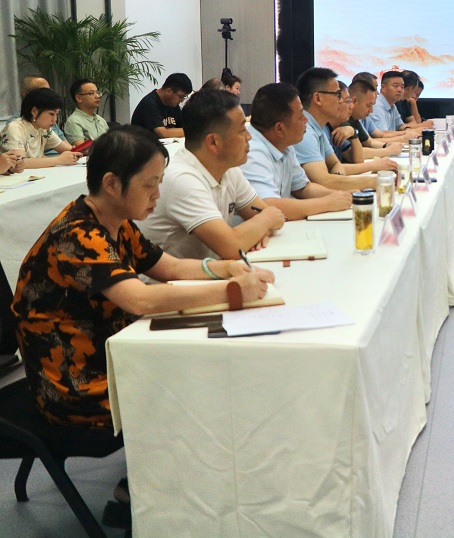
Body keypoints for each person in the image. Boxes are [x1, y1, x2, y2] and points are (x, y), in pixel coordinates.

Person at [12, 125, 273, 430]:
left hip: (117, 355)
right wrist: (232, 290)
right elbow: (140, 300)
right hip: (77, 386)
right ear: (112, 184)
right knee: (204, 388)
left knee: (207, 372)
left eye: (159, 182)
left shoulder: (116, 221)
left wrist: (224, 268)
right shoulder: (79, 235)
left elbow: (170, 268)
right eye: (150, 184)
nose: (157, 194)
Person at [140, 89, 285, 259]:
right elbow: (233, 247)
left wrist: (260, 227)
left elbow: (265, 215)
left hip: (209, 270)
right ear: (213, 142)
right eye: (241, 131)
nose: (249, 137)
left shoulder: (229, 170)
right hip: (174, 275)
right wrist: (266, 221)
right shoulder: (181, 179)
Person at [241, 82, 353, 219]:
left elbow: (303, 188)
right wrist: (327, 203)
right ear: (280, 128)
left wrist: (339, 195)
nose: (306, 120)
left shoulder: (284, 144)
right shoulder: (252, 152)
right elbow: (266, 205)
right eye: (301, 116)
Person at [292, 67, 397, 191]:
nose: (341, 101)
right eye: (337, 95)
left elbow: (335, 164)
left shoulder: (317, 128)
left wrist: (338, 178)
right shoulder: (306, 132)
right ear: (318, 98)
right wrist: (375, 181)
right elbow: (324, 180)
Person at [0, 88, 81, 167]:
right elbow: (19, 162)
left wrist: (80, 150)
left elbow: (68, 150)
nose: (55, 119)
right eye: (51, 114)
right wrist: (58, 160)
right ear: (34, 111)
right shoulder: (14, 128)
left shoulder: (43, 129)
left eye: (57, 114)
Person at [340, 78, 403, 163]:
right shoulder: (341, 121)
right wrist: (388, 151)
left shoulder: (354, 119)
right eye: (368, 105)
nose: (371, 110)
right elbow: (354, 155)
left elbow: (369, 142)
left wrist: (386, 145)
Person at [130, 73, 192, 138]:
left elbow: (183, 126)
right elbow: (163, 133)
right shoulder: (149, 104)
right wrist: (192, 131)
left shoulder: (172, 104)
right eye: (181, 97)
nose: (181, 100)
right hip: (144, 143)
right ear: (169, 91)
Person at [63, 78, 110, 145]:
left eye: (97, 92)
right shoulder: (74, 121)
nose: (97, 96)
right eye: (91, 93)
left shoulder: (101, 120)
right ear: (79, 98)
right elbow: (81, 148)